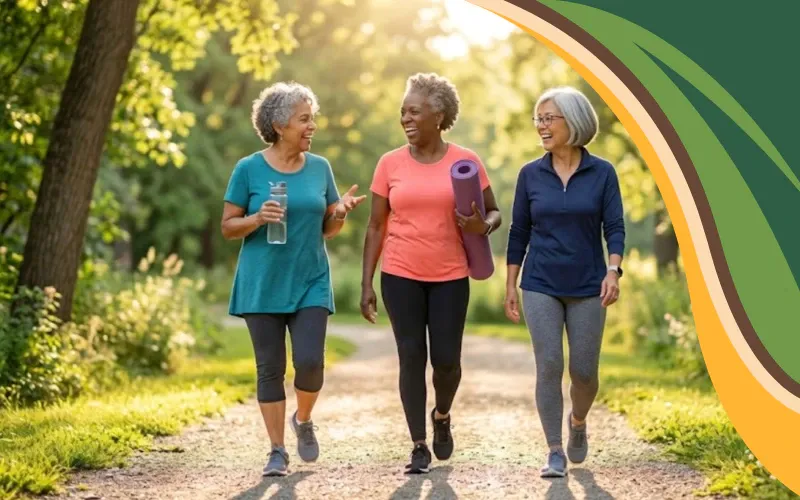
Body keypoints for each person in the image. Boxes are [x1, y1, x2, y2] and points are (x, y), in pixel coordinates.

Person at [221, 81, 366, 477]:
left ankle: (303, 420)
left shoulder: (320, 168)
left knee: (310, 362)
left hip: (310, 280)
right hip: (262, 282)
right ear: (279, 124)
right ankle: (277, 450)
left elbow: (327, 229)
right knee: (270, 368)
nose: (312, 126)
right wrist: (255, 218)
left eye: (312, 119)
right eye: (304, 119)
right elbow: (228, 227)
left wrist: (339, 214)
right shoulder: (248, 169)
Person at [360, 72, 502, 474]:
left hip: (450, 275)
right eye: (402, 111)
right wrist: (366, 283)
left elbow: (495, 211)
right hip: (401, 272)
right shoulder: (389, 163)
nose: (405, 118)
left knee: (446, 362)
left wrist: (483, 226)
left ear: (437, 115)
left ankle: (441, 415)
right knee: (410, 356)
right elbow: (375, 226)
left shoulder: (466, 161)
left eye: (414, 111)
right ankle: (418, 444)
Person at [504, 86, 625, 478]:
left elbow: (615, 227)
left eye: (547, 118)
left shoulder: (602, 172)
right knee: (550, 364)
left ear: (571, 121)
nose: (540, 126)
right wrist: (511, 285)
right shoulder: (530, 174)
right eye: (538, 119)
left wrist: (614, 270)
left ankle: (578, 421)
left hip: (589, 283)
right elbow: (518, 231)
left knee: (585, 372)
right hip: (540, 282)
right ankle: (554, 450)